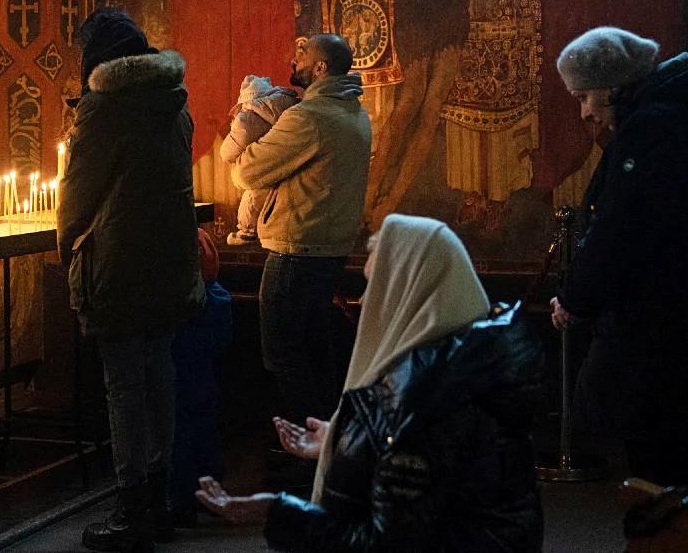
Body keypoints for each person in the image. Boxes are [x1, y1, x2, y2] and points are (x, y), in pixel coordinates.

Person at [195, 214, 545, 551]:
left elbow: (385, 543)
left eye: (373, 287)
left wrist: (278, 512)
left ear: (406, 294)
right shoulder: (469, 369)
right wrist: (346, 440)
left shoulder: (419, 403)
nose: (363, 301)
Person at [549, 26, 688, 489]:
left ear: (610, 87)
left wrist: (575, 297)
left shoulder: (651, 130)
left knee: (658, 460)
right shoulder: (679, 119)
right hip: (686, 315)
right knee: (672, 457)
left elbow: (620, 227)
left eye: (584, 97)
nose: (584, 112)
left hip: (657, 326)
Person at [57, 8, 204, 552]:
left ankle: (131, 506)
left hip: (118, 262)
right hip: (169, 258)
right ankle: (160, 500)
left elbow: (78, 194)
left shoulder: (103, 108)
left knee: (123, 383)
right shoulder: (174, 102)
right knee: (159, 373)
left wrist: (66, 246)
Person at [230, 34, 372, 429]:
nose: (295, 56)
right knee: (315, 349)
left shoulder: (309, 117)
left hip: (294, 251)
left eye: (304, 53)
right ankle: (327, 445)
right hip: (329, 251)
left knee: (283, 355)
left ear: (321, 68)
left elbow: (246, 171)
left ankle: (307, 449)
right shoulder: (355, 114)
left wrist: (248, 130)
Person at [168, 228, 233, 527]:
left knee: (178, 436)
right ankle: (212, 496)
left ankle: (181, 503)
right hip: (206, 378)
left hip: (179, 376)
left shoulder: (182, 307)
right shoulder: (218, 298)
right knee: (206, 434)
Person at [220, 75, 301, 246]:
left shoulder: (247, 118)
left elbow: (227, 152)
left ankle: (246, 230)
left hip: (260, 168)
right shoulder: (292, 109)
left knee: (253, 194)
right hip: (288, 173)